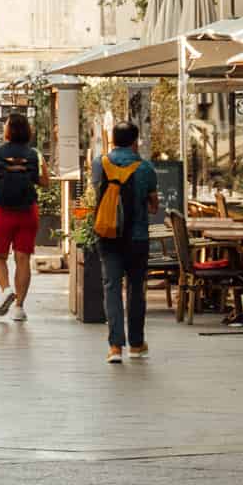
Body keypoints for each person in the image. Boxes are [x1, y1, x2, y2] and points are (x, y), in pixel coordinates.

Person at [92, 121, 160, 364]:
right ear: (135, 141)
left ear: (112, 139)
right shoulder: (146, 168)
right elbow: (154, 205)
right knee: (135, 289)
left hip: (107, 234)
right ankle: (137, 344)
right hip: (137, 236)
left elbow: (97, 192)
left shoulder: (100, 163)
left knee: (111, 287)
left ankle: (114, 347)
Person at [0, 110, 49, 323]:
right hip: (27, 211)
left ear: (8, 130)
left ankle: (6, 290)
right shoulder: (35, 154)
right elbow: (45, 182)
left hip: (1, 211)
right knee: (22, 258)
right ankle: (20, 307)